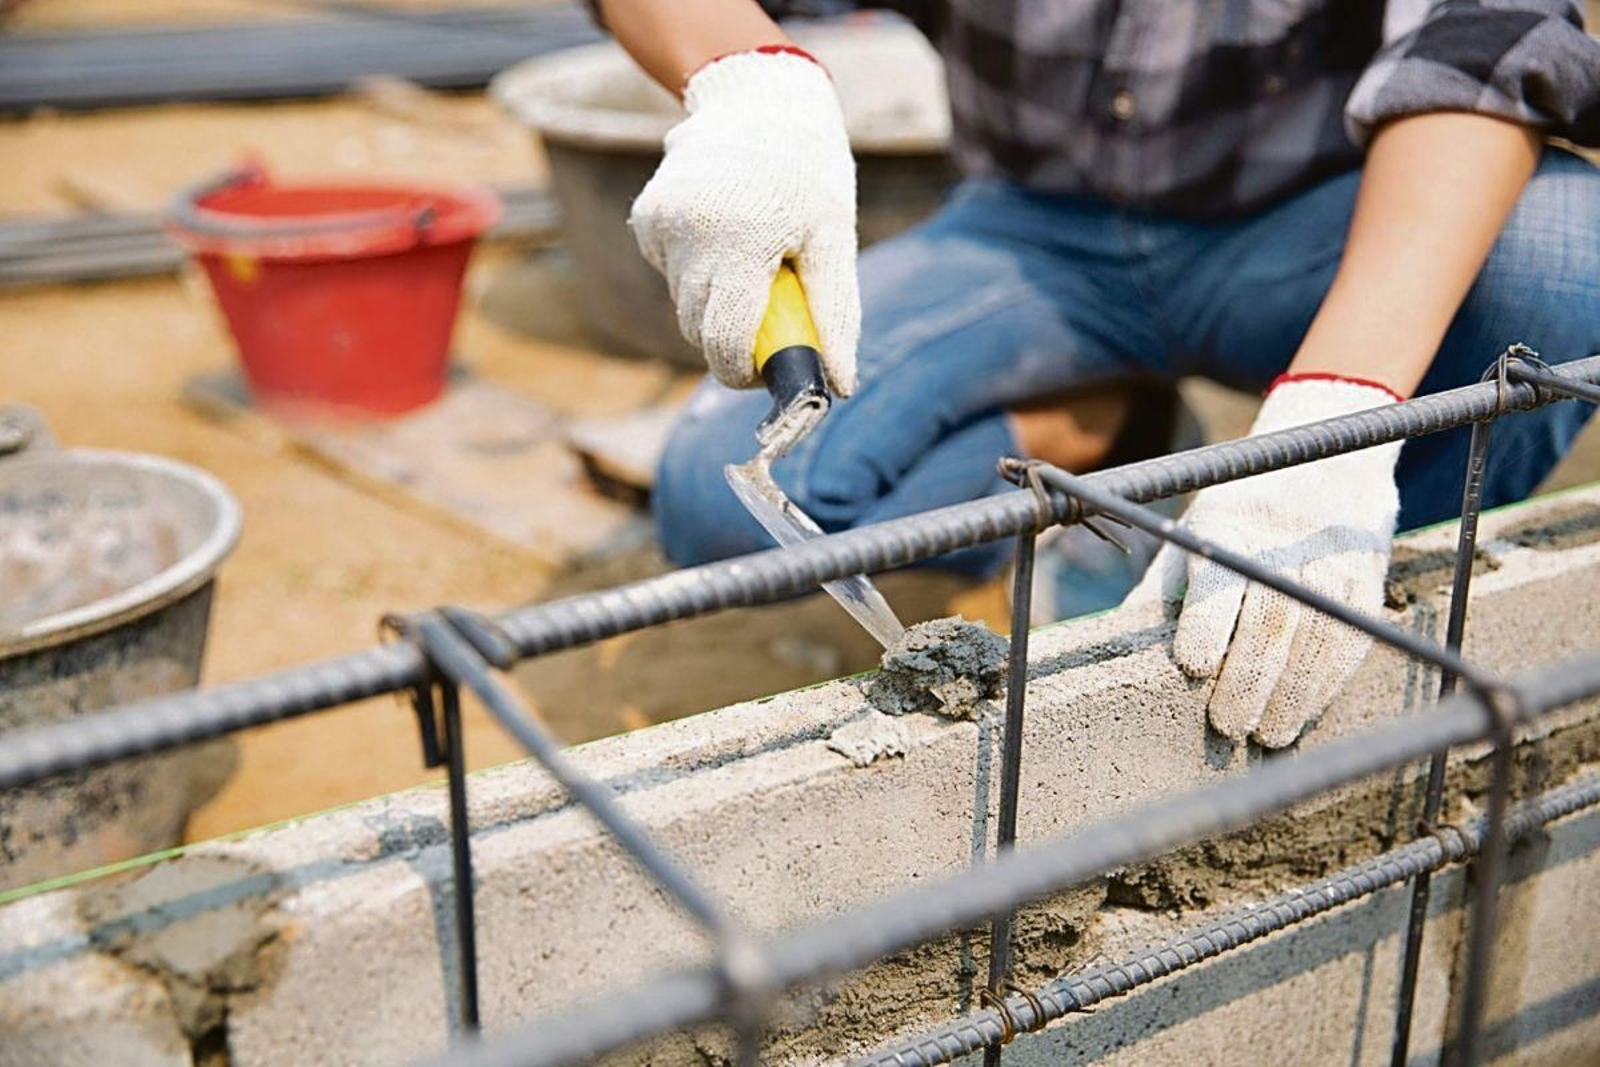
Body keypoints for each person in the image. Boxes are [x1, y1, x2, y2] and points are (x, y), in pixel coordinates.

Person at [593, 0, 1600, 747]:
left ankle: (1340, 621)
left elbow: (1485, 43)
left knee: (1565, 255)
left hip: (1310, 223)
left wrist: (1335, 414)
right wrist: (748, 75)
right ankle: (1095, 431)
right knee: (716, 496)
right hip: (1037, 237)